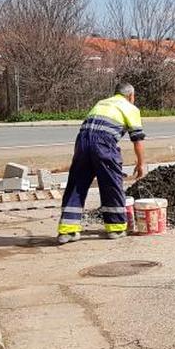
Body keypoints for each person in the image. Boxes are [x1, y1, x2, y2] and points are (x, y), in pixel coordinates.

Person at [57, 83, 146, 244]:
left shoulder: (102, 102)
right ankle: (116, 228)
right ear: (131, 96)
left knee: (77, 183)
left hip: (82, 141)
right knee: (111, 182)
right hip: (103, 143)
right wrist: (140, 164)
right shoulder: (131, 108)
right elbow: (137, 139)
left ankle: (67, 231)